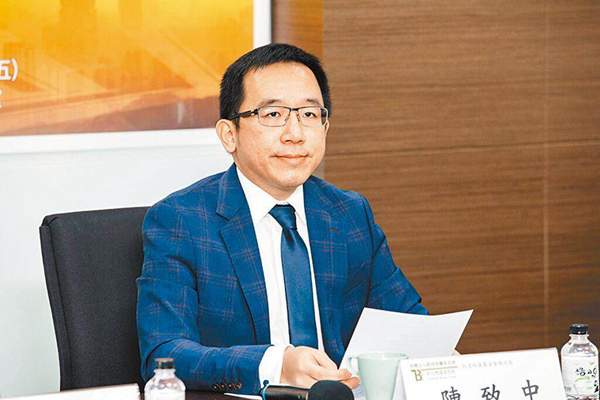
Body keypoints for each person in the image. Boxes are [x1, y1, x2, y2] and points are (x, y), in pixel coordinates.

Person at [136, 43, 428, 395]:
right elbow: (164, 354)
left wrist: (435, 358)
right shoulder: (181, 220)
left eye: (309, 114)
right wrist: (276, 365)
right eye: (273, 114)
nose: (295, 134)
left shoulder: (350, 213)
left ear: (325, 127)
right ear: (229, 134)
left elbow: (409, 322)